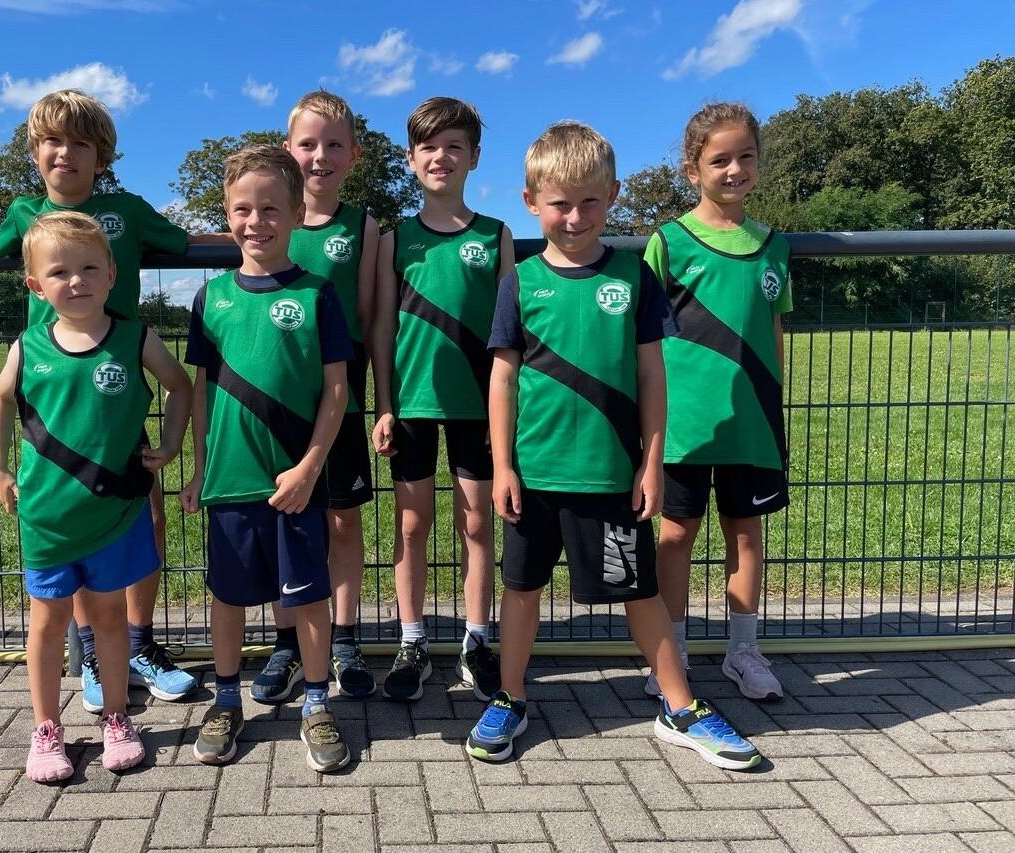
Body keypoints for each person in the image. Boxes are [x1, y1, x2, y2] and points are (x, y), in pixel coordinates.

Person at [0, 89, 206, 710]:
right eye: (53, 142)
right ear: (36, 152)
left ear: (101, 154)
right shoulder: (24, 213)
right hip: (55, 419)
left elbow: (194, 241)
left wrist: (275, 233)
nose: (66, 154)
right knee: (70, 527)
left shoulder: (128, 211)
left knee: (146, 516)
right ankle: (91, 653)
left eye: (80, 143)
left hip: (117, 400)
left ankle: (137, 642)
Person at [465, 121, 761, 770]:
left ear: (614, 195)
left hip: (609, 476)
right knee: (520, 590)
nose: (575, 216)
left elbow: (654, 376)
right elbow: (503, 376)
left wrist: (651, 464)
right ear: (531, 202)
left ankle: (680, 708)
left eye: (590, 201)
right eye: (559, 203)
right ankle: (511, 698)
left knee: (639, 593)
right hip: (534, 478)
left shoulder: (633, 277)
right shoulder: (519, 281)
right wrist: (503, 465)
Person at [0, 210, 192, 782]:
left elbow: (180, 385)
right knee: (47, 622)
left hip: (116, 511)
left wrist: (171, 442)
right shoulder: (27, 347)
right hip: (49, 517)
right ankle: (47, 729)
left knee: (107, 617)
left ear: (111, 273)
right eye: (59, 272)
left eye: (88, 268)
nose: (75, 281)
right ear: (35, 285)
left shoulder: (135, 337)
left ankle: (118, 719)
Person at [180, 144, 352, 772]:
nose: (256, 222)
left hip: (294, 485)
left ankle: (315, 705)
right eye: (242, 210)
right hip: (229, 482)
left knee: (306, 600)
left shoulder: (317, 296)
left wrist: (309, 467)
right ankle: (226, 700)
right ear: (227, 213)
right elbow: (199, 391)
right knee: (228, 599)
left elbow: (336, 391)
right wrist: (199, 467)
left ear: (296, 209)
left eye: (271, 209)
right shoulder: (211, 299)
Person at [644, 103, 792, 701]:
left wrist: (774, 406)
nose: (735, 169)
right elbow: (647, 340)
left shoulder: (773, 247)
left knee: (747, 534)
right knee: (676, 535)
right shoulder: (668, 242)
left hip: (752, 424)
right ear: (692, 169)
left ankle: (743, 650)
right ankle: (671, 649)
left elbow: (775, 336)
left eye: (745, 156)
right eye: (720, 159)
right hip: (684, 425)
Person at [369, 97, 514, 703]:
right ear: (410, 159)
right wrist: (383, 402)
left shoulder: (496, 234)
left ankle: (477, 640)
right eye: (429, 146)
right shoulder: (392, 238)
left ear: (474, 157)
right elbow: (381, 326)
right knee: (411, 524)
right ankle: (412, 641)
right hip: (413, 405)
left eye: (454, 146)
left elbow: (511, 335)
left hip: (478, 409)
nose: (441, 157)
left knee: (478, 523)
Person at [250, 90, 381, 704]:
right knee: (285, 518)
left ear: (353, 155)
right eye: (308, 144)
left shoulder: (364, 226)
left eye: (333, 145)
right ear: (288, 150)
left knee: (342, 519)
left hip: (342, 398)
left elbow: (375, 320)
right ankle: (286, 643)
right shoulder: (267, 221)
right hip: (276, 405)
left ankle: (346, 637)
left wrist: (385, 402)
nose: (319, 156)